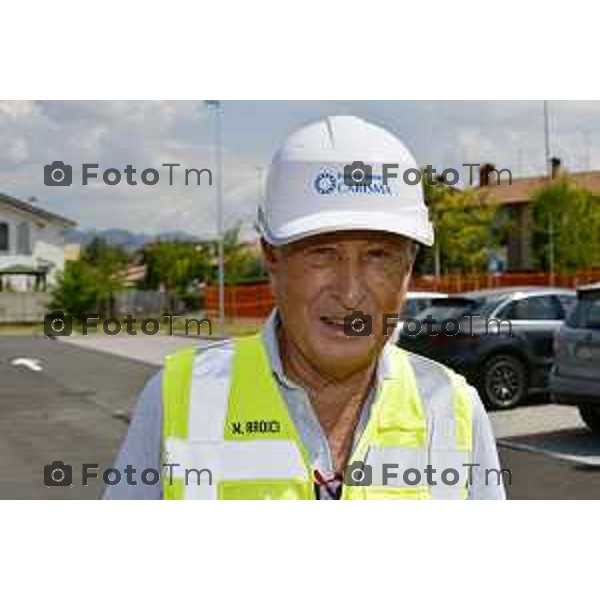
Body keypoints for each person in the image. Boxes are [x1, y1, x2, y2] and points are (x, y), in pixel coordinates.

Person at [104, 115, 506, 500]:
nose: (350, 293)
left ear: (409, 267)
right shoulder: (180, 399)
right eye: (322, 253)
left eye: (379, 255)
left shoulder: (453, 412)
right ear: (272, 259)